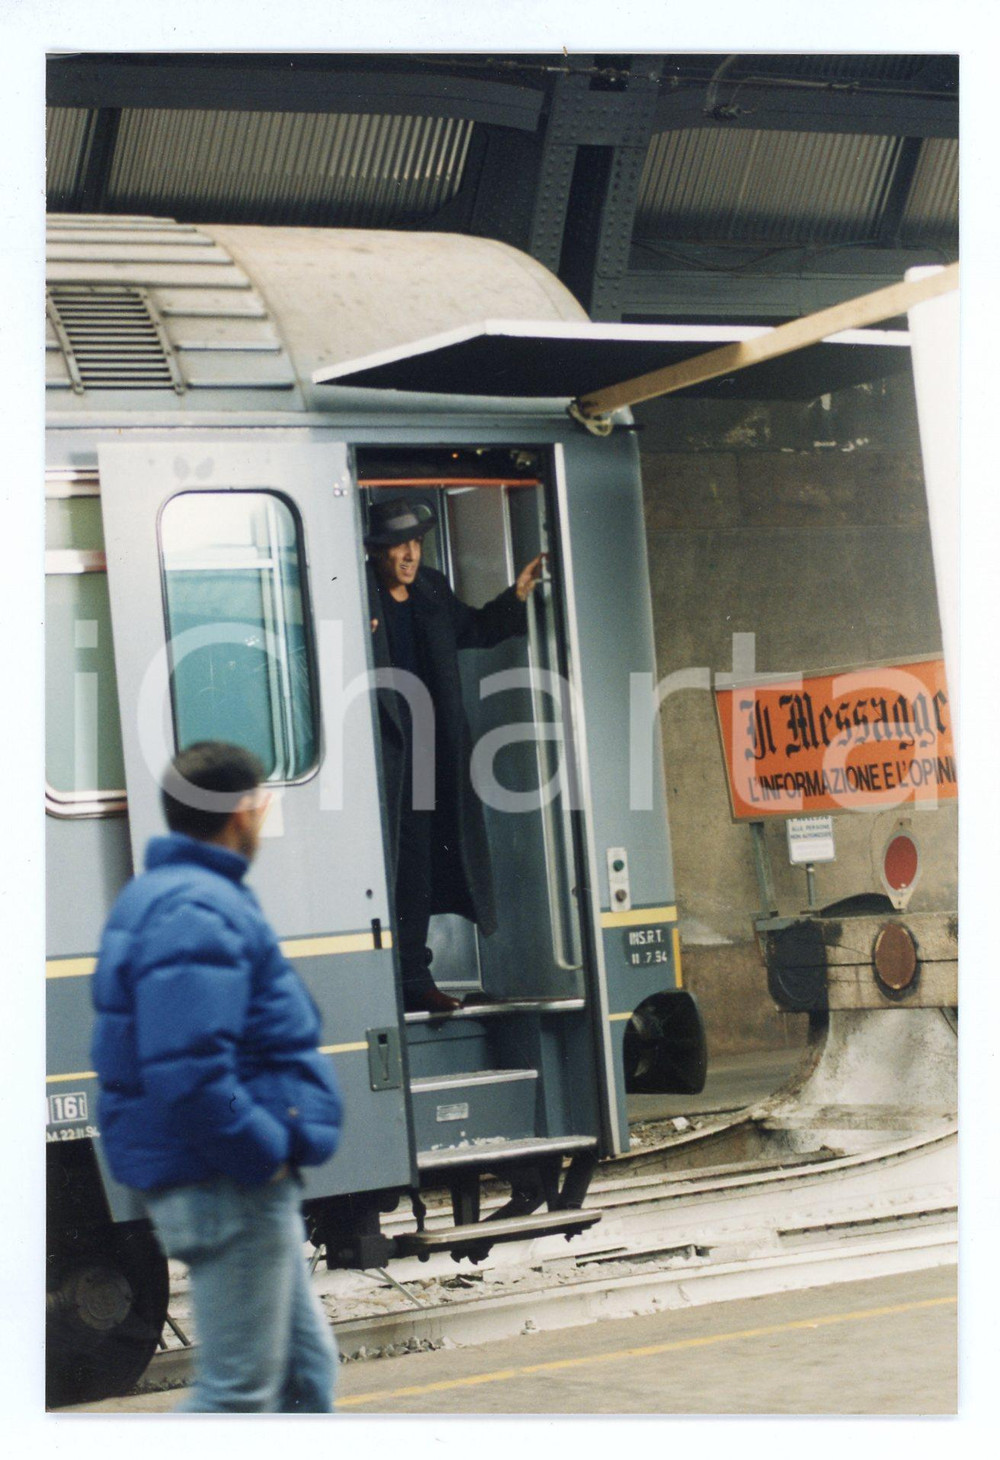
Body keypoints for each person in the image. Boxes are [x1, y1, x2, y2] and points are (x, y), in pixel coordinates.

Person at [90, 741, 343, 1413]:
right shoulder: (196, 909)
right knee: (237, 1395)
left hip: (237, 1180)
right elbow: (192, 1072)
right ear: (242, 812)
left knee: (303, 1379)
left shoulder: (181, 897)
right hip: (229, 1182)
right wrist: (261, 1152)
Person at [365, 497, 544, 1014]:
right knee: (387, 870)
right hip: (379, 759)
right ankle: (387, 980)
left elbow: (476, 629)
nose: (410, 554)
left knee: (418, 866)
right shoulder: (355, 593)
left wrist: (517, 595)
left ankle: (414, 977)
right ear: (377, 550)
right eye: (399, 544)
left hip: (430, 753)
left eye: (417, 543)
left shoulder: (432, 589)